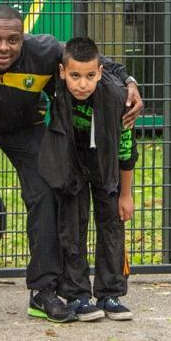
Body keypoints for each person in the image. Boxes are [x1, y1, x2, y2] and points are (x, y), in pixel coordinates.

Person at [0, 6, 142, 324]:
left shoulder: (44, 49)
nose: (3, 47)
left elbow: (91, 61)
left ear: (24, 39)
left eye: (13, 39)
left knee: (46, 195)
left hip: (26, 130)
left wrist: (129, 82)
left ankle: (43, 291)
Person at [38, 37, 138, 322]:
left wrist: (126, 195)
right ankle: (77, 294)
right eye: (75, 76)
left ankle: (110, 293)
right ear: (61, 72)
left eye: (90, 76)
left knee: (111, 226)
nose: (82, 84)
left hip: (105, 165)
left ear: (100, 72)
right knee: (71, 227)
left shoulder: (119, 97)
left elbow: (127, 150)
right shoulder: (54, 88)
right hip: (70, 163)